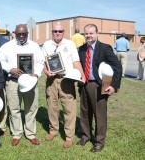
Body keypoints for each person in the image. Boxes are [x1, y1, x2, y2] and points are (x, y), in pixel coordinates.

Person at [77, 24, 122, 152]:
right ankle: (85, 136)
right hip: (84, 85)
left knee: (99, 115)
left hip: (99, 85)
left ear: (97, 34)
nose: (89, 35)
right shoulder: (81, 49)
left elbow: (117, 67)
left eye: (91, 33)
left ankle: (99, 141)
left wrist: (114, 85)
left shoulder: (104, 48)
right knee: (85, 113)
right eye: (86, 33)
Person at [0, 24, 44, 146]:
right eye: (19, 34)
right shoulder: (7, 46)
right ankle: (17, 133)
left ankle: (30, 133)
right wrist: (10, 69)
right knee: (14, 108)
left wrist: (36, 74)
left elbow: (40, 62)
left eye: (24, 34)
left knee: (31, 107)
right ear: (15, 33)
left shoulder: (34, 46)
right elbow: (0, 60)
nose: (22, 36)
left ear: (27, 33)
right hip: (13, 81)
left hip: (30, 81)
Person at [42, 23, 85, 148]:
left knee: (69, 108)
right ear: (52, 32)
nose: (57, 33)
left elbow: (76, 61)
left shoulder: (70, 44)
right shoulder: (46, 45)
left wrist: (82, 75)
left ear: (64, 32)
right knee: (51, 106)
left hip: (66, 80)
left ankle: (69, 136)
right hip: (51, 80)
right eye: (55, 31)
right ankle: (53, 130)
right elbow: (45, 63)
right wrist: (46, 72)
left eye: (60, 31)